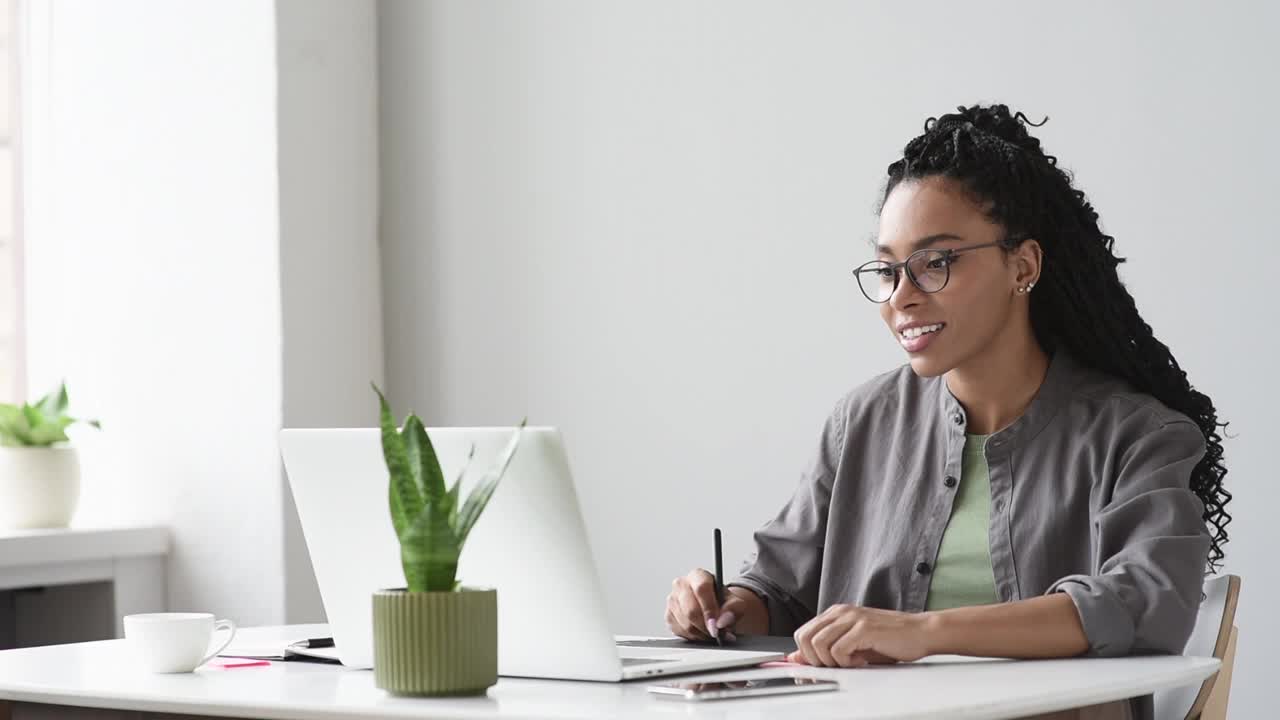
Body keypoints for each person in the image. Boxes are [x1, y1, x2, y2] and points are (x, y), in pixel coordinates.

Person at [664, 104, 1231, 720]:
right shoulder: (862, 421)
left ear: (1024, 266)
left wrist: (926, 631)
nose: (902, 296)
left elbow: (1149, 602)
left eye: (936, 262)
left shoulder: (1136, 434)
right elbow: (778, 588)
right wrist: (725, 607)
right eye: (887, 269)